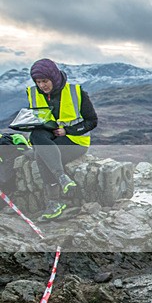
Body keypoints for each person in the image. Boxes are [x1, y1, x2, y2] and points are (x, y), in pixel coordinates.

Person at [25, 59, 97, 221]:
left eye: (45, 81)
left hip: (75, 142)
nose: (42, 85)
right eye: (38, 82)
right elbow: (38, 118)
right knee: (36, 134)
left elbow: (92, 121)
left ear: (54, 77)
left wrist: (67, 130)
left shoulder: (76, 92)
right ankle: (62, 178)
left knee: (39, 156)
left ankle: (54, 203)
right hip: (50, 140)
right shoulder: (33, 93)